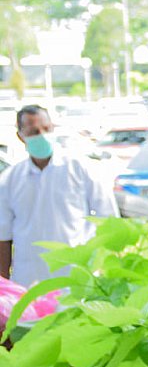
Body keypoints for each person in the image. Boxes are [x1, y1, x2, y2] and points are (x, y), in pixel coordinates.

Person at [0, 105, 119, 286]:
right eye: (33, 131)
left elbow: (109, 219)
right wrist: (4, 285)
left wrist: (104, 268)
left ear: (52, 127)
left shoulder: (80, 168)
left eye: (46, 129)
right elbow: (3, 236)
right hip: (28, 281)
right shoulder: (11, 179)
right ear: (21, 136)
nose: (41, 135)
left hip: (75, 279)